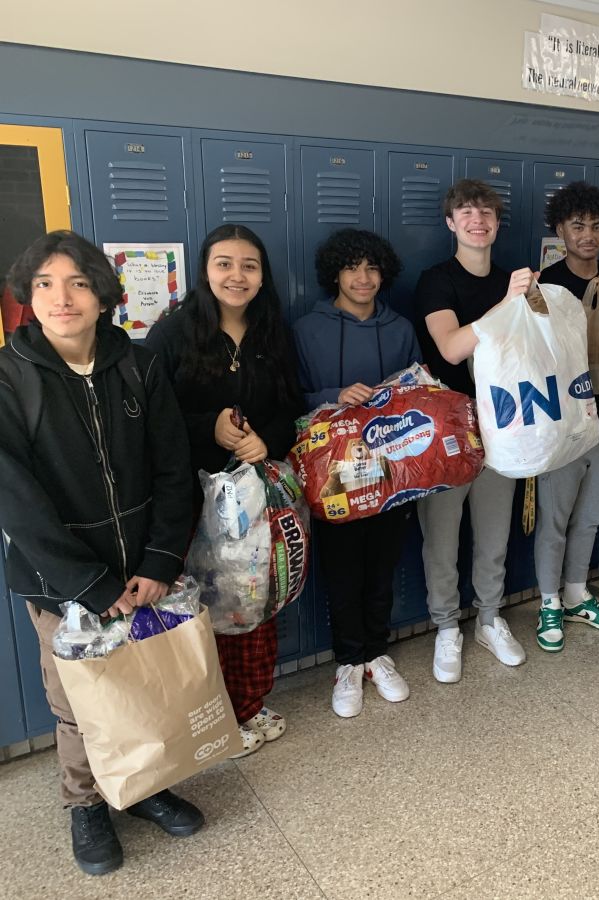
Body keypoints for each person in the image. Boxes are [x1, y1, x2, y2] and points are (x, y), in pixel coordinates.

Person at [0, 231, 203, 875]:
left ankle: (144, 786)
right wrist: (87, 582)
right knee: (77, 701)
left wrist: (160, 560)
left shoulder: (138, 364)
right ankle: (85, 803)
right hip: (63, 582)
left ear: (102, 295)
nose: (61, 298)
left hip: (143, 572)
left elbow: (174, 465)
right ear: (29, 298)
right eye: (44, 285)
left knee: (144, 682)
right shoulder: (10, 376)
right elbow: (15, 499)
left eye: (77, 283)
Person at [145, 224, 304, 758]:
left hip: (251, 505)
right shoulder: (172, 335)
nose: (237, 276)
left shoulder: (272, 332)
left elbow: (292, 406)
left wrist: (268, 439)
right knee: (199, 608)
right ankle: (210, 716)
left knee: (250, 600)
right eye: (224, 263)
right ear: (204, 270)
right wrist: (206, 427)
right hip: (191, 502)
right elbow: (151, 418)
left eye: (249, 265)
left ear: (263, 275)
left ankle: (248, 704)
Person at [293, 228, 421, 716]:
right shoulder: (307, 330)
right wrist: (332, 396)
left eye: (371, 268)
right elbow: (292, 399)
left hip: (391, 474)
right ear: (335, 274)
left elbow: (417, 398)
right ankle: (348, 662)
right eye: (352, 268)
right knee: (343, 570)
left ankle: (377, 654)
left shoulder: (402, 328)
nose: (363, 278)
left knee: (383, 566)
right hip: (333, 476)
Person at [413, 179, 531, 682]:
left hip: (502, 425)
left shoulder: (511, 281)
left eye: (486, 213)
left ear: (498, 223)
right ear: (450, 222)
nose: (477, 220)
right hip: (447, 431)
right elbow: (453, 348)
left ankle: (488, 617)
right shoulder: (436, 281)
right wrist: (510, 304)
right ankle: (445, 626)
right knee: (442, 536)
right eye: (466, 212)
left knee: (493, 532)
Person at [532, 181, 599, 652]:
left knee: (592, 514)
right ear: (561, 229)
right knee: (555, 516)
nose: (588, 235)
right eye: (578, 226)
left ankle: (577, 592)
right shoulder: (546, 284)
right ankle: (549, 600)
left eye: (597, 226)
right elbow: (537, 357)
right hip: (565, 419)